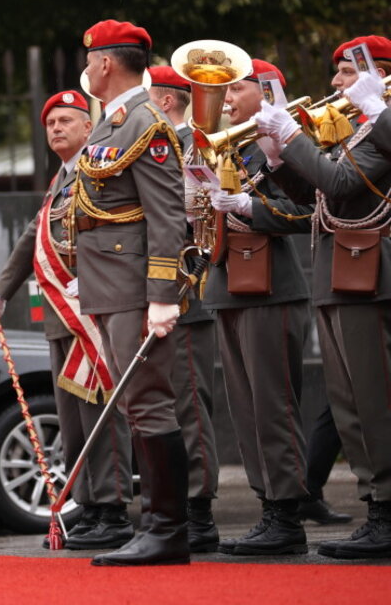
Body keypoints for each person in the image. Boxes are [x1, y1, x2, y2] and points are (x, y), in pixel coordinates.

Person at [253, 35, 391, 559]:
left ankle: (387, 511)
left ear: (379, 76)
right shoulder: (363, 132)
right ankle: (376, 507)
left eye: (346, 74)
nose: (334, 85)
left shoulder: (381, 129)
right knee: (349, 405)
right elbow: (313, 195)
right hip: (339, 273)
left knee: (374, 402)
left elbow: (336, 182)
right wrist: (279, 157)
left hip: (372, 276)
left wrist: (293, 137)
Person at [0, 90, 135, 551]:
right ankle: (87, 504)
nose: (57, 128)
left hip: (95, 309)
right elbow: (36, 236)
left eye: (67, 120)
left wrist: (97, 279)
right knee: (72, 421)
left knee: (100, 413)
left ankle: (112, 508)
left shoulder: (100, 168)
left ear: (90, 128)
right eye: (51, 123)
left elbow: (119, 229)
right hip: (62, 317)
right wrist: (0, 290)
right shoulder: (61, 180)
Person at [69, 19, 189, 566]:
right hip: (109, 283)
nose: (88, 67)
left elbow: (167, 217)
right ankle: (159, 528)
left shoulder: (146, 123)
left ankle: (167, 530)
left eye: (90, 59)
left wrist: (163, 294)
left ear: (105, 63)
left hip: (135, 287)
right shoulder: (114, 120)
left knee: (147, 403)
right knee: (138, 407)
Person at [201, 59, 313, 555]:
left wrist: (251, 209)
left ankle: (287, 514)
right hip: (227, 283)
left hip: (272, 286)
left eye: (237, 90)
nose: (226, 100)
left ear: (267, 93)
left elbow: (309, 211)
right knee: (244, 408)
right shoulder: (229, 148)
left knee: (273, 405)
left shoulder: (284, 146)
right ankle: (267, 505)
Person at [146, 66, 221, 553]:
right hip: (153, 286)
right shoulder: (154, 144)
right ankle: (171, 507)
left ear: (167, 102)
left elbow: (199, 207)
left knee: (190, 405)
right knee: (166, 403)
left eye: (148, 97)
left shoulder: (195, 143)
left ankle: (199, 510)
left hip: (185, 287)